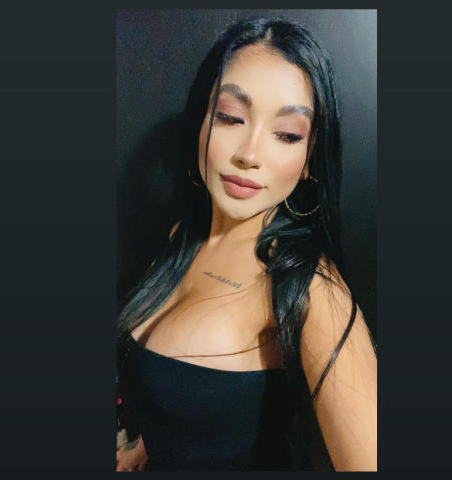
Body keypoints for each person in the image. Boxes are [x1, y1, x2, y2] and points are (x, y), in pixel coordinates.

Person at [116, 17, 377, 471]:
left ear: (310, 158)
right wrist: (150, 447)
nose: (249, 154)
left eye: (287, 134)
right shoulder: (182, 237)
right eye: (230, 117)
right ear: (202, 120)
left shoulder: (309, 288)